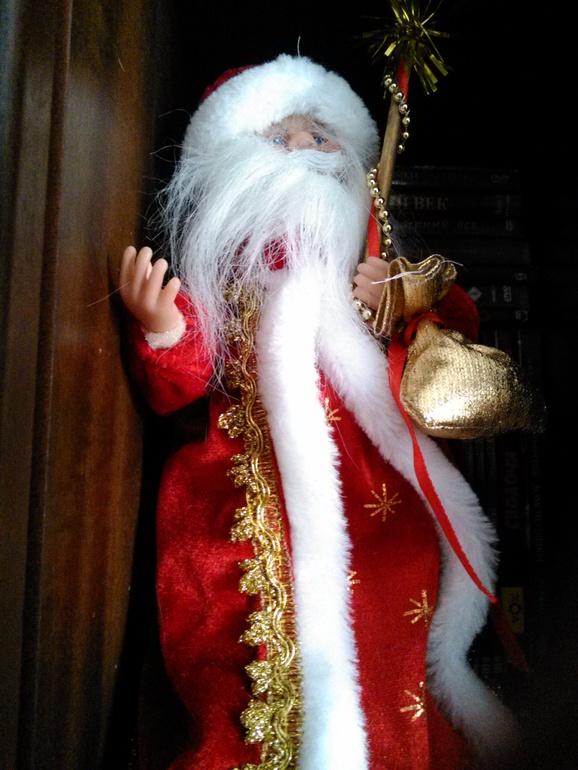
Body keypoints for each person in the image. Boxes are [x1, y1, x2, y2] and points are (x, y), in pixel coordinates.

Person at [119, 54, 520, 770]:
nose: (304, 149)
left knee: (389, 634)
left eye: (320, 136)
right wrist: (165, 327)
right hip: (256, 488)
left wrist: (406, 299)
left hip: (378, 494)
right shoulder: (231, 278)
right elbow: (185, 376)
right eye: (281, 137)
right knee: (248, 644)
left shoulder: (371, 269)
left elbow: (450, 354)